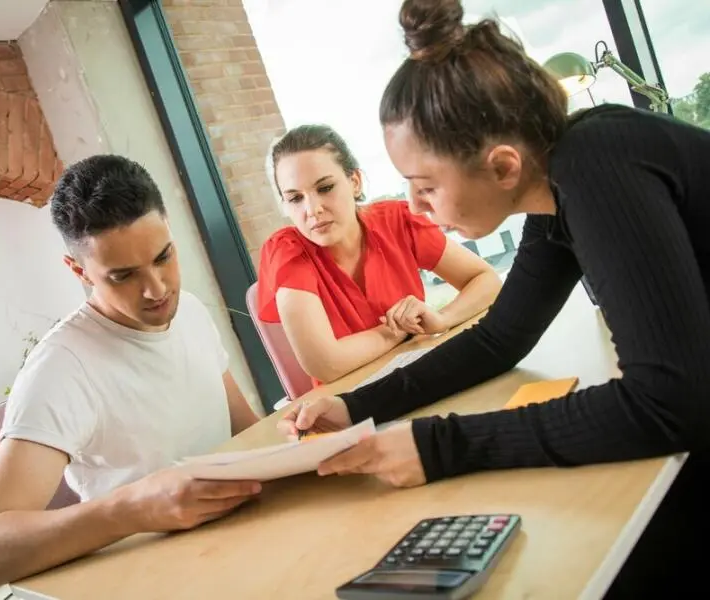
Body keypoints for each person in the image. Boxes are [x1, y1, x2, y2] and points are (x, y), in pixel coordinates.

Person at [277, 0, 710, 594]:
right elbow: (500, 337)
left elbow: (668, 404)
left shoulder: (596, 167)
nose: (413, 206)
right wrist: (355, 407)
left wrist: (440, 445)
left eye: (426, 185)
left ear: (502, 165)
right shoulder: (559, 185)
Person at [0, 155, 262, 594]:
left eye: (163, 257)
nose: (157, 289)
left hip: (237, 545)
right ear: (79, 271)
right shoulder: (61, 369)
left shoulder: (188, 310)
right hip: (158, 579)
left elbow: (244, 433)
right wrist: (133, 508)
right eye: (123, 276)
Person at [257, 124, 501, 385]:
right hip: (352, 403)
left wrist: (443, 318)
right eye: (295, 198)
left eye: (325, 188)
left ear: (355, 182)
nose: (312, 209)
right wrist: (398, 330)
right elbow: (326, 365)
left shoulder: (397, 221)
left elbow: (486, 280)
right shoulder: (286, 252)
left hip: (422, 376)